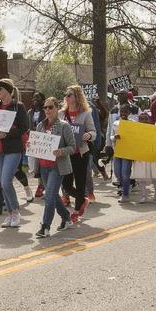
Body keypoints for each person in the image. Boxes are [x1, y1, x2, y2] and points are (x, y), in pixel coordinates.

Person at [32, 97, 77, 237]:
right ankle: (67, 218)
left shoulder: (64, 126)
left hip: (57, 167)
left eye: (50, 107)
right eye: (45, 107)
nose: (47, 110)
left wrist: (61, 151)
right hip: (44, 166)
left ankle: (45, 226)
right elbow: (36, 145)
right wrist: (31, 146)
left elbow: (72, 147)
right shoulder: (40, 126)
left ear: (57, 108)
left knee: (49, 196)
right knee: (53, 196)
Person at [0, 79, 29, 228]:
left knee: (6, 181)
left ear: (8, 91)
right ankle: (10, 214)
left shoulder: (18, 107)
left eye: (0, 88)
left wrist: (6, 134)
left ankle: (16, 211)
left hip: (13, 149)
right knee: (2, 183)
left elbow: (24, 128)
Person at [59, 85, 96, 221]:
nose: (66, 97)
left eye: (70, 95)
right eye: (66, 95)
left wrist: (89, 135)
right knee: (66, 185)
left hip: (80, 153)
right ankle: (83, 199)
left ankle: (76, 211)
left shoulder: (85, 114)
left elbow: (94, 132)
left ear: (76, 97)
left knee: (80, 183)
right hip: (66, 154)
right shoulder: (61, 114)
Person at [108, 101, 135, 202]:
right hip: (117, 151)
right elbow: (111, 136)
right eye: (122, 111)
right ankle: (122, 186)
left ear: (129, 113)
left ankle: (125, 193)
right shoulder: (115, 123)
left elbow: (136, 137)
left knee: (125, 173)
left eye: (126, 112)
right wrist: (114, 137)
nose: (123, 113)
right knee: (117, 172)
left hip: (127, 152)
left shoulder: (133, 123)